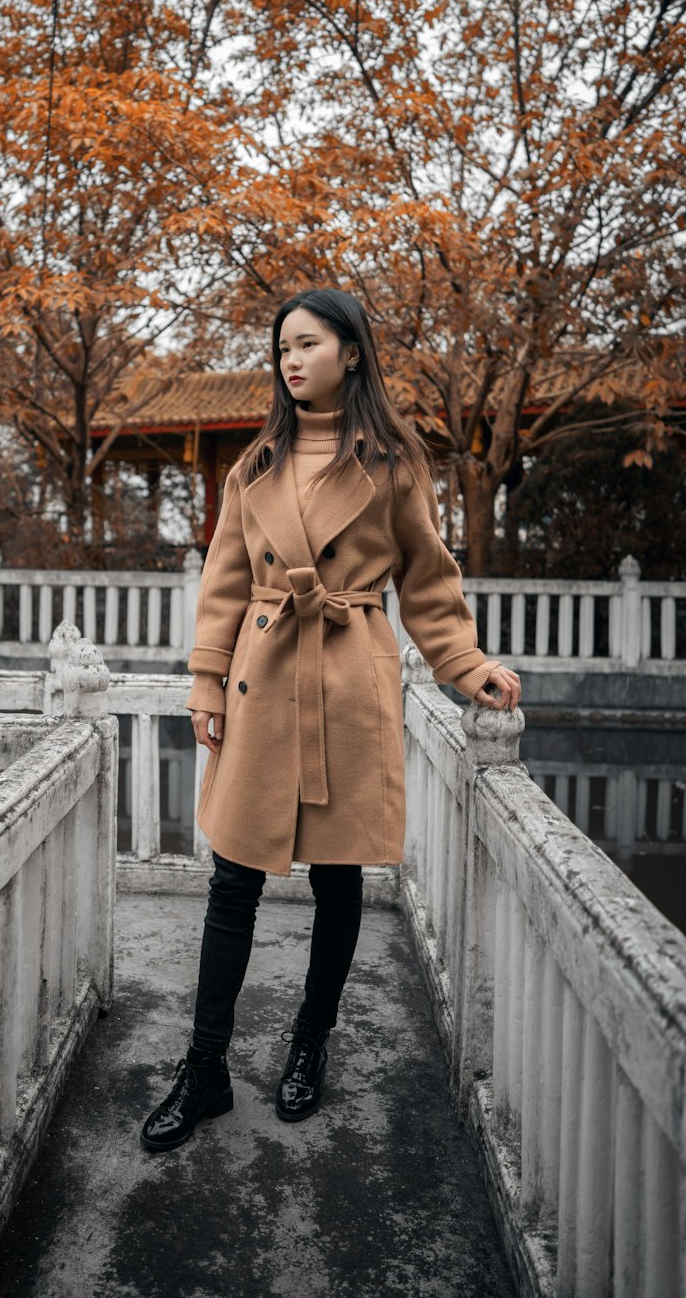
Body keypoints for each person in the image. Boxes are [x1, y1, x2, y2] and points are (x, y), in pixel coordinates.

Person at [139, 287, 522, 1153]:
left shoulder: (396, 461)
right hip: (262, 677)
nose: (290, 360)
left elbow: (428, 579)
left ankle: (311, 1043)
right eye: (282, 349)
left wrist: (466, 666)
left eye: (307, 344)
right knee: (231, 880)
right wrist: (204, 686)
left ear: (352, 352)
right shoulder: (255, 464)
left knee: (338, 879)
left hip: (350, 680)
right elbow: (224, 584)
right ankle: (205, 1070)